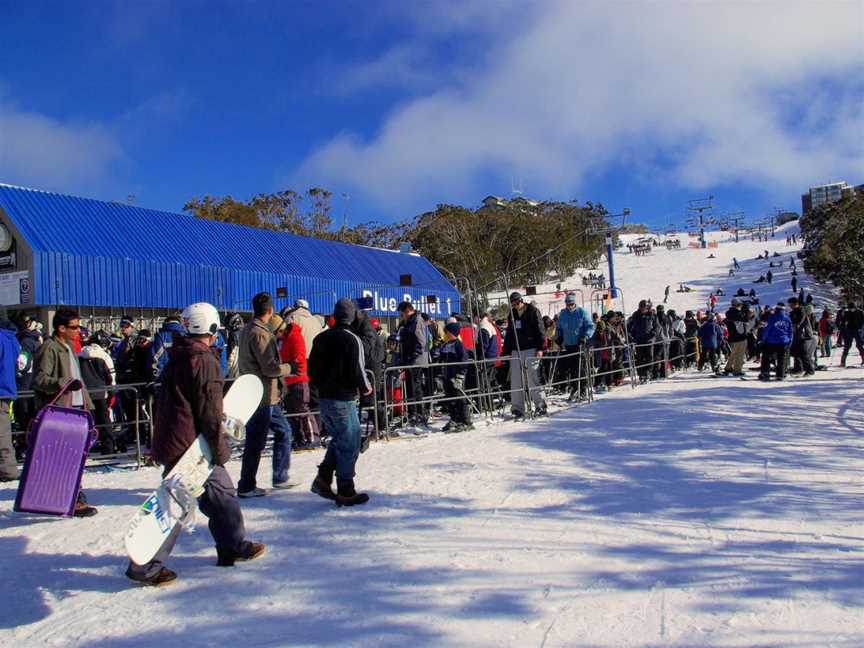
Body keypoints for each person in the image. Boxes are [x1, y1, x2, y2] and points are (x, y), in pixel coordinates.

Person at [126, 302, 265, 587]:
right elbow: (210, 414)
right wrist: (220, 449)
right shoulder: (204, 361)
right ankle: (145, 565)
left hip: (174, 439)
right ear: (212, 329)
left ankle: (232, 544)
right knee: (182, 502)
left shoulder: (178, 354)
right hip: (191, 446)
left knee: (217, 495)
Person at [32, 309, 97, 516]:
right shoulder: (49, 348)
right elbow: (40, 380)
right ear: (61, 328)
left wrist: (86, 403)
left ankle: (71, 496)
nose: (78, 330)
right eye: (74, 327)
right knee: (63, 457)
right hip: (60, 411)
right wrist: (63, 383)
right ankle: (70, 499)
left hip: (76, 409)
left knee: (74, 456)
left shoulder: (69, 347)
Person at [308, 298, 372, 507]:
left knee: (340, 438)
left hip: (324, 397)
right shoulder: (352, 339)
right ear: (352, 317)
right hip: (342, 397)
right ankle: (345, 488)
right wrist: (365, 388)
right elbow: (358, 369)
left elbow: (312, 370)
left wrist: (321, 387)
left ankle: (323, 478)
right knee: (350, 441)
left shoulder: (320, 338)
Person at [237, 292, 296, 497]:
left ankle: (279, 476)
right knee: (256, 441)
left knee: (282, 431)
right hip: (263, 395)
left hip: (259, 393)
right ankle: (247, 484)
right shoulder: (260, 334)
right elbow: (270, 368)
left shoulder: (246, 330)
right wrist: (289, 367)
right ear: (270, 311)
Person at [278, 308, 318, 449]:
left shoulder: (295, 336)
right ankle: (299, 438)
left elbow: (299, 356)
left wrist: (291, 367)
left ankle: (312, 437)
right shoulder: (283, 340)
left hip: (298, 379)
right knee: (292, 412)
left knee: (302, 410)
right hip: (288, 380)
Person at [503, 292, 547, 418]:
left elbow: (540, 330)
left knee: (533, 378)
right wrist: (506, 351)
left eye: (517, 302)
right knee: (516, 380)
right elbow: (510, 333)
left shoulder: (533, 311)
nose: (515, 305)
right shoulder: (512, 314)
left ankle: (540, 405)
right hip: (516, 349)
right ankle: (517, 408)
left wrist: (540, 348)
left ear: (521, 300)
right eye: (513, 303)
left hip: (531, 348)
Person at [80, 332, 117, 454]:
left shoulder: (80, 354)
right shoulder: (104, 356)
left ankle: (87, 446)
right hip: (101, 392)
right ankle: (108, 447)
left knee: (88, 421)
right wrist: (112, 392)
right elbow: (111, 376)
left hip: (84, 393)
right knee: (105, 420)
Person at [396, 301, 430, 426]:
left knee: (415, 387)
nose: (401, 316)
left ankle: (419, 413)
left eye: (402, 313)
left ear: (407, 311)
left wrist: (413, 356)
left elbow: (421, 341)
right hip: (409, 359)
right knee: (410, 387)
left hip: (416, 360)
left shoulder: (416, 321)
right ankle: (412, 413)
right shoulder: (408, 322)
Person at [556, 292, 594, 400]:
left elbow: (590, 326)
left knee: (579, 368)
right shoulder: (563, 314)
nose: (569, 306)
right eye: (567, 304)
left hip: (579, 344)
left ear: (574, 303)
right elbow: (559, 327)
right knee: (571, 369)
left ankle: (582, 389)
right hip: (569, 345)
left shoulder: (581, 312)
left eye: (571, 304)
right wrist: (559, 337)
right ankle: (574, 388)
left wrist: (585, 336)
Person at [439, 322, 472, 432]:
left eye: (447, 332)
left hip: (456, 375)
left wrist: (461, 375)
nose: (446, 334)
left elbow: (464, 360)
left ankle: (466, 421)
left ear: (452, 332)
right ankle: (454, 418)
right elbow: (442, 357)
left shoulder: (458, 344)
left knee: (459, 398)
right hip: (447, 375)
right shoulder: (446, 344)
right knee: (450, 398)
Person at [0, 317, 20, 481]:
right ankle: (8, 468)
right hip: (7, 388)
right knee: (4, 432)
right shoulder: (11, 338)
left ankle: (7, 470)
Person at [759, 303, 793, 381]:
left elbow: (767, 329)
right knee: (781, 358)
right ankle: (780, 374)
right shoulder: (787, 318)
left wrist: (763, 339)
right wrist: (790, 340)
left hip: (771, 341)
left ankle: (765, 373)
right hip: (783, 341)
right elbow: (790, 331)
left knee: (766, 357)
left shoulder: (771, 317)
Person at [627, 300, 658, 384]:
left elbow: (656, 326)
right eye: (641, 307)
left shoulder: (652, 315)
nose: (643, 309)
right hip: (639, 341)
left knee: (649, 357)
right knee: (640, 358)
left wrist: (653, 333)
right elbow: (629, 327)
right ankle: (641, 374)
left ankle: (648, 373)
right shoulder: (635, 315)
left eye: (644, 307)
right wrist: (632, 338)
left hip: (649, 340)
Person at [150, 315, 186, 381]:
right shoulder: (186, 335)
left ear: (165, 323)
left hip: (166, 378)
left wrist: (157, 377)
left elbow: (156, 358)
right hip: (184, 378)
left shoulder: (160, 336)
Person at [723, 299, 751, 376]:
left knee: (734, 353)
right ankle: (737, 370)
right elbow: (746, 319)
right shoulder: (737, 313)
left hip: (733, 335)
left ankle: (728, 367)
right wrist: (747, 310)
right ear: (738, 305)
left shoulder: (729, 313)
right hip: (740, 335)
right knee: (740, 354)